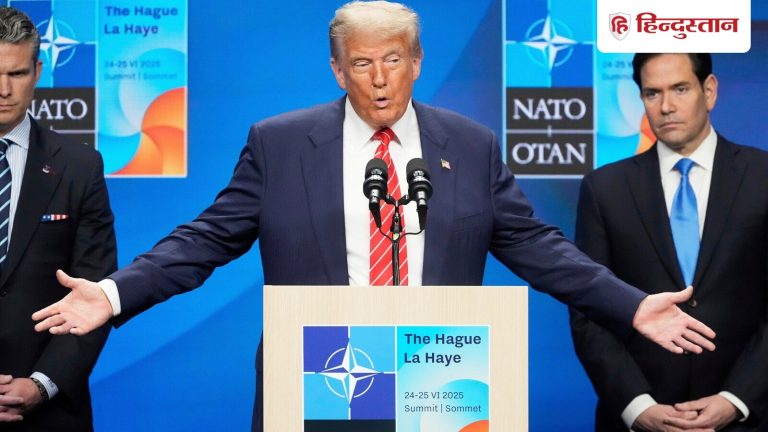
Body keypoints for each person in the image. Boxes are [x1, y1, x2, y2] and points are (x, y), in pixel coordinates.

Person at [32, 2, 714, 430]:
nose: (380, 79)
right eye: (362, 63)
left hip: (439, 375)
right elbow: (206, 239)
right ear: (337, 70)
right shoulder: (280, 144)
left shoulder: (469, 145)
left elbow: (538, 246)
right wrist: (113, 294)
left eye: (393, 59)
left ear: (417, 62)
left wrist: (631, 305)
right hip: (317, 373)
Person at [570, 53, 768, 431]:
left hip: (747, 418)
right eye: (652, 93)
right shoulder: (605, 189)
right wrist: (637, 406)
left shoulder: (762, 177)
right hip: (640, 418)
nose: (665, 106)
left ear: (709, 91)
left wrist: (735, 399)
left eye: (680, 89)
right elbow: (590, 312)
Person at [0, 6, 117, 431]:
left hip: (49, 414)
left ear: (37, 71)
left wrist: (41, 384)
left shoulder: (80, 166)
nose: (3, 90)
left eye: (16, 74)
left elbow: (94, 289)